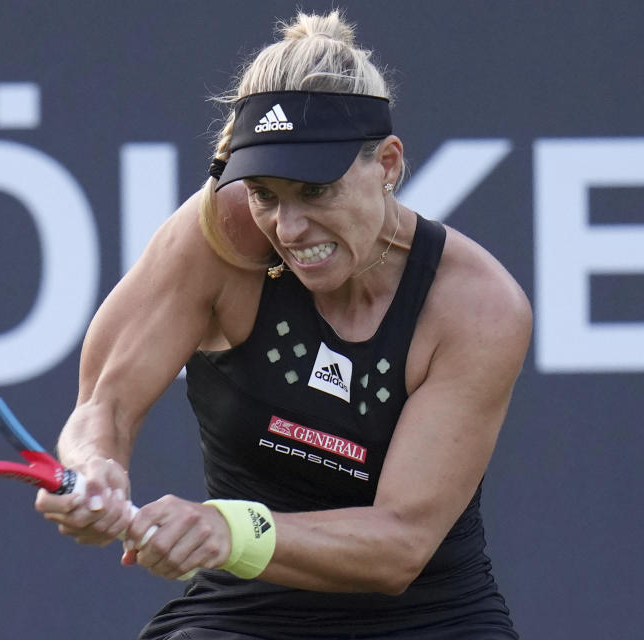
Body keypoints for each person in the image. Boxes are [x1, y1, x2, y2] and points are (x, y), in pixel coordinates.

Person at [35, 9, 530, 639]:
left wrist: (228, 527)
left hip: (432, 618)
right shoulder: (219, 233)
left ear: (387, 164)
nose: (287, 228)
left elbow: (399, 545)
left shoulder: (476, 305)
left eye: (314, 191)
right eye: (265, 193)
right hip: (241, 615)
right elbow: (103, 402)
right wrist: (95, 469)